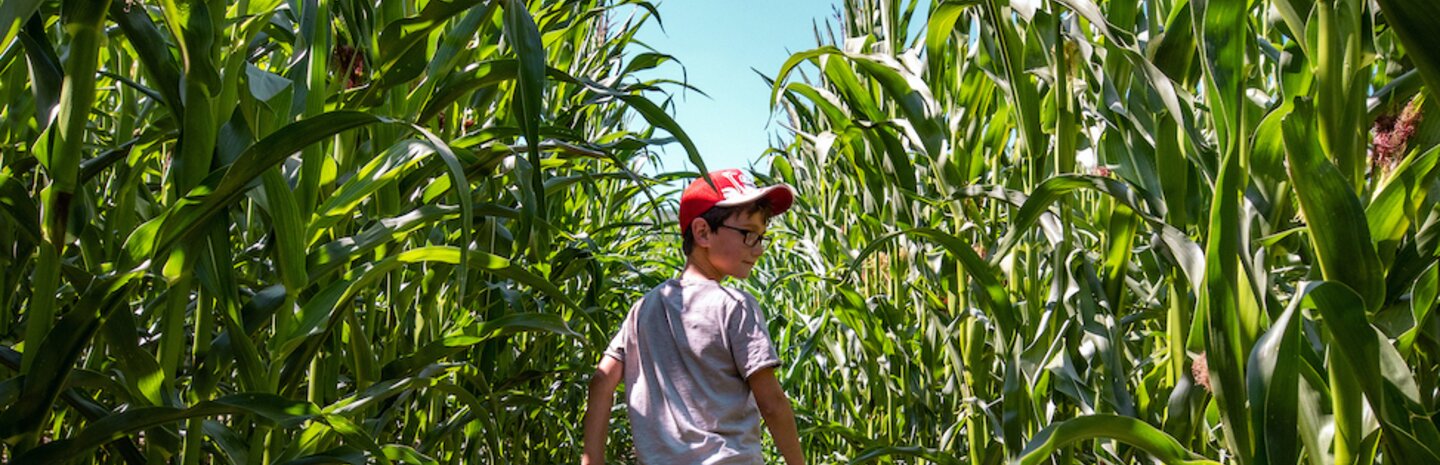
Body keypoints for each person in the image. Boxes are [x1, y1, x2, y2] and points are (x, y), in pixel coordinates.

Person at [582, 169, 806, 465]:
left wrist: (592, 460)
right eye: (749, 234)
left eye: (762, 237)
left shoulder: (643, 310)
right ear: (702, 232)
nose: (759, 248)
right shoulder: (735, 306)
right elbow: (772, 403)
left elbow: (601, 382)